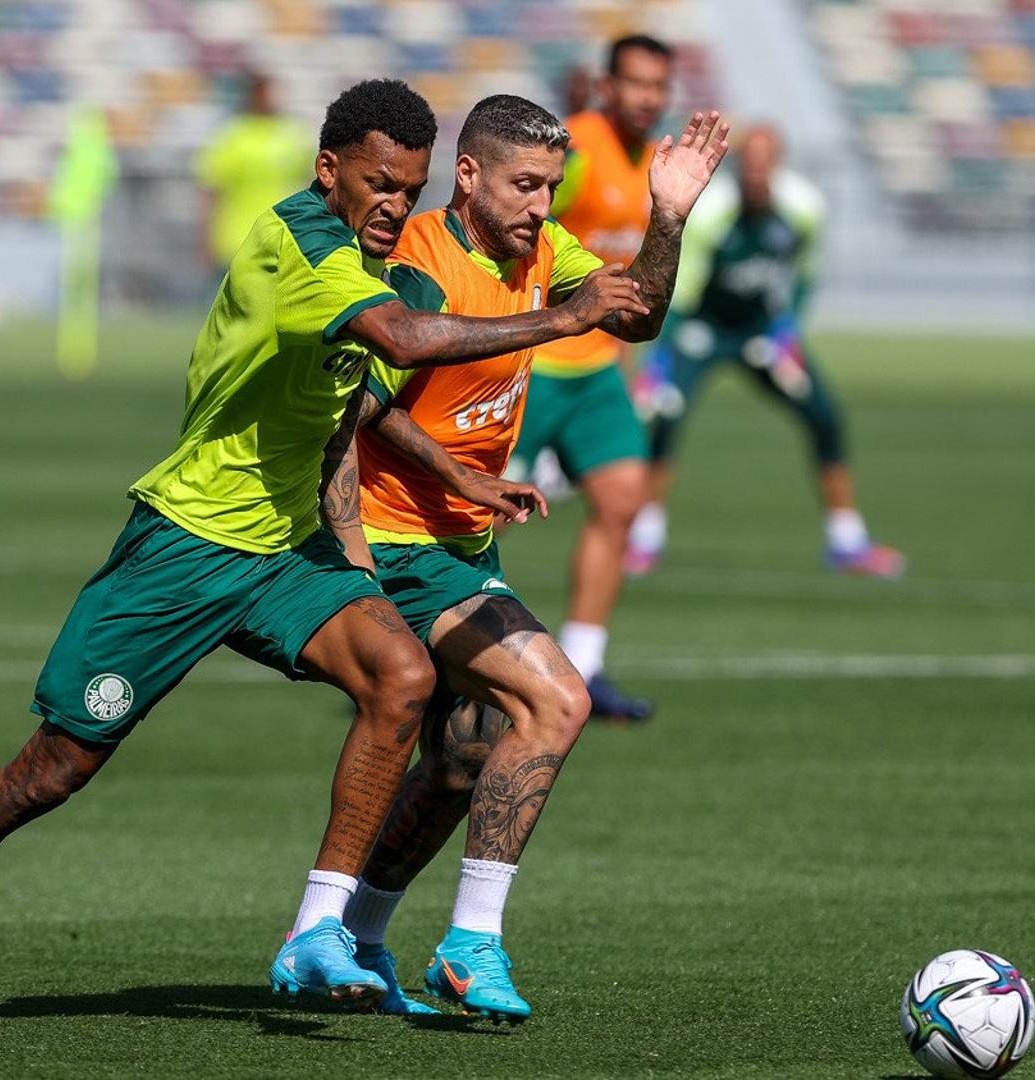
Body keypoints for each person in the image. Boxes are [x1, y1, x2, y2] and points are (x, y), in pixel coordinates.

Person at [0, 78, 653, 1027]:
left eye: (406, 190)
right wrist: (563, 321)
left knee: (402, 678)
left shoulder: (382, 260)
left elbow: (360, 405)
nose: (391, 206)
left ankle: (320, 931)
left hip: (285, 550)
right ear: (328, 171)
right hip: (187, 544)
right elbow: (404, 345)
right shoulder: (301, 247)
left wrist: (455, 477)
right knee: (53, 769)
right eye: (376, 184)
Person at [333, 96, 727, 1022]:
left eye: (552, 187)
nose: (542, 206)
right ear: (467, 175)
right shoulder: (418, 262)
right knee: (557, 698)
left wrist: (667, 218)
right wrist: (460, 479)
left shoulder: (546, 253)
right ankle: (471, 946)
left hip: (463, 547)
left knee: (463, 759)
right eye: (525, 186)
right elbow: (359, 404)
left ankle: (355, 936)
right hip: (395, 543)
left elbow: (637, 317)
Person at [628, 125, 904, 577]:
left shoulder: (803, 207)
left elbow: (804, 275)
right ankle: (644, 538)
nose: (756, 170)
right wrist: (660, 357)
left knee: (824, 415)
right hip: (702, 327)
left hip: (759, 329)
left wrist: (786, 330)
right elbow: (684, 286)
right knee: (666, 418)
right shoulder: (712, 211)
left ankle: (846, 541)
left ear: (777, 162)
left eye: (765, 160)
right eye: (749, 161)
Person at [505, 34, 681, 722]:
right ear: (606, 86)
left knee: (621, 501)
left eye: (659, 86)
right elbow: (517, 234)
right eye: (636, 83)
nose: (649, 97)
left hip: (598, 368)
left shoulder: (659, 164)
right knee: (483, 515)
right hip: (536, 362)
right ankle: (423, 646)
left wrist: (629, 361)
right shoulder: (573, 151)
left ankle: (584, 664)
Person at [195, 71, 314, 272]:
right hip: (238, 239)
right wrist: (206, 236)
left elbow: (314, 182)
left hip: (284, 238)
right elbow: (212, 190)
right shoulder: (233, 135)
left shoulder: (293, 134)